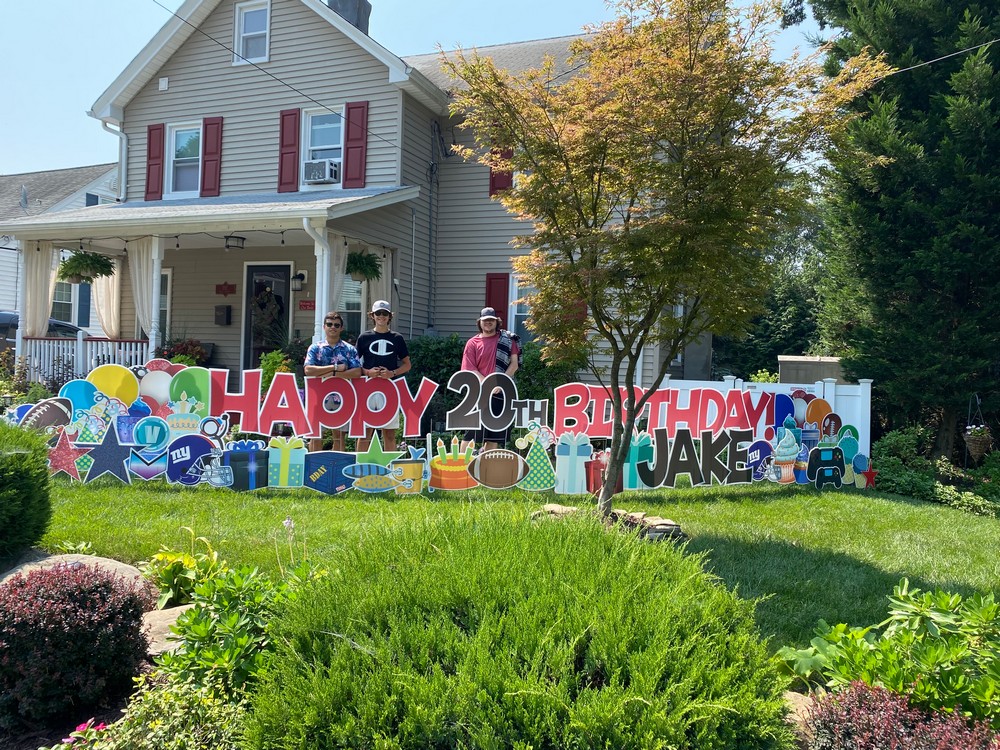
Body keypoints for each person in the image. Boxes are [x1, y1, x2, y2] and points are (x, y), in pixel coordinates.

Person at [460, 306, 520, 452]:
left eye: (491, 320)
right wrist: (488, 385)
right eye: (485, 320)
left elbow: (514, 364)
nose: (488, 323)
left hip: (502, 393)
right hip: (478, 393)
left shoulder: (508, 340)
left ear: (496, 322)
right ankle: (461, 468)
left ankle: (484, 470)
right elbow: (470, 369)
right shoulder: (472, 343)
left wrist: (502, 382)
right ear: (480, 322)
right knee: (471, 434)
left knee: (495, 436)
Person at [355, 300, 411, 451]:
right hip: (368, 388)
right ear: (372, 316)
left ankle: (390, 470)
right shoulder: (364, 337)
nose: (381, 316)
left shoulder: (397, 338)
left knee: (390, 433)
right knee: (365, 432)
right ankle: (360, 467)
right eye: (378, 313)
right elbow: (354, 364)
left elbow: (407, 364)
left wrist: (392, 373)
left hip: (390, 388)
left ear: (389, 316)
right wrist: (367, 372)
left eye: (384, 313)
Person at [303, 311, 361, 451]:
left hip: (341, 398)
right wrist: (335, 368)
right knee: (316, 435)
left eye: (336, 325)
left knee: (339, 436)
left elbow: (357, 372)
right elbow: (308, 370)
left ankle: (337, 469)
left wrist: (333, 375)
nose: (332, 327)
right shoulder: (315, 348)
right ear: (324, 327)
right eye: (329, 324)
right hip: (318, 397)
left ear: (341, 328)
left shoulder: (349, 349)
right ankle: (314, 468)